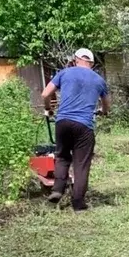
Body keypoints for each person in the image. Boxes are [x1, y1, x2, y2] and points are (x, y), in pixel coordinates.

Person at [40, 48, 110, 211]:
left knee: (62, 157)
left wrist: (48, 109)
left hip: (62, 122)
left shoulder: (64, 73)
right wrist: (104, 112)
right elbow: (107, 105)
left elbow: (45, 94)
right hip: (84, 126)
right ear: (91, 64)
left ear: (76, 60)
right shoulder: (99, 80)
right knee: (81, 164)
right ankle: (78, 203)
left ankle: (57, 190)